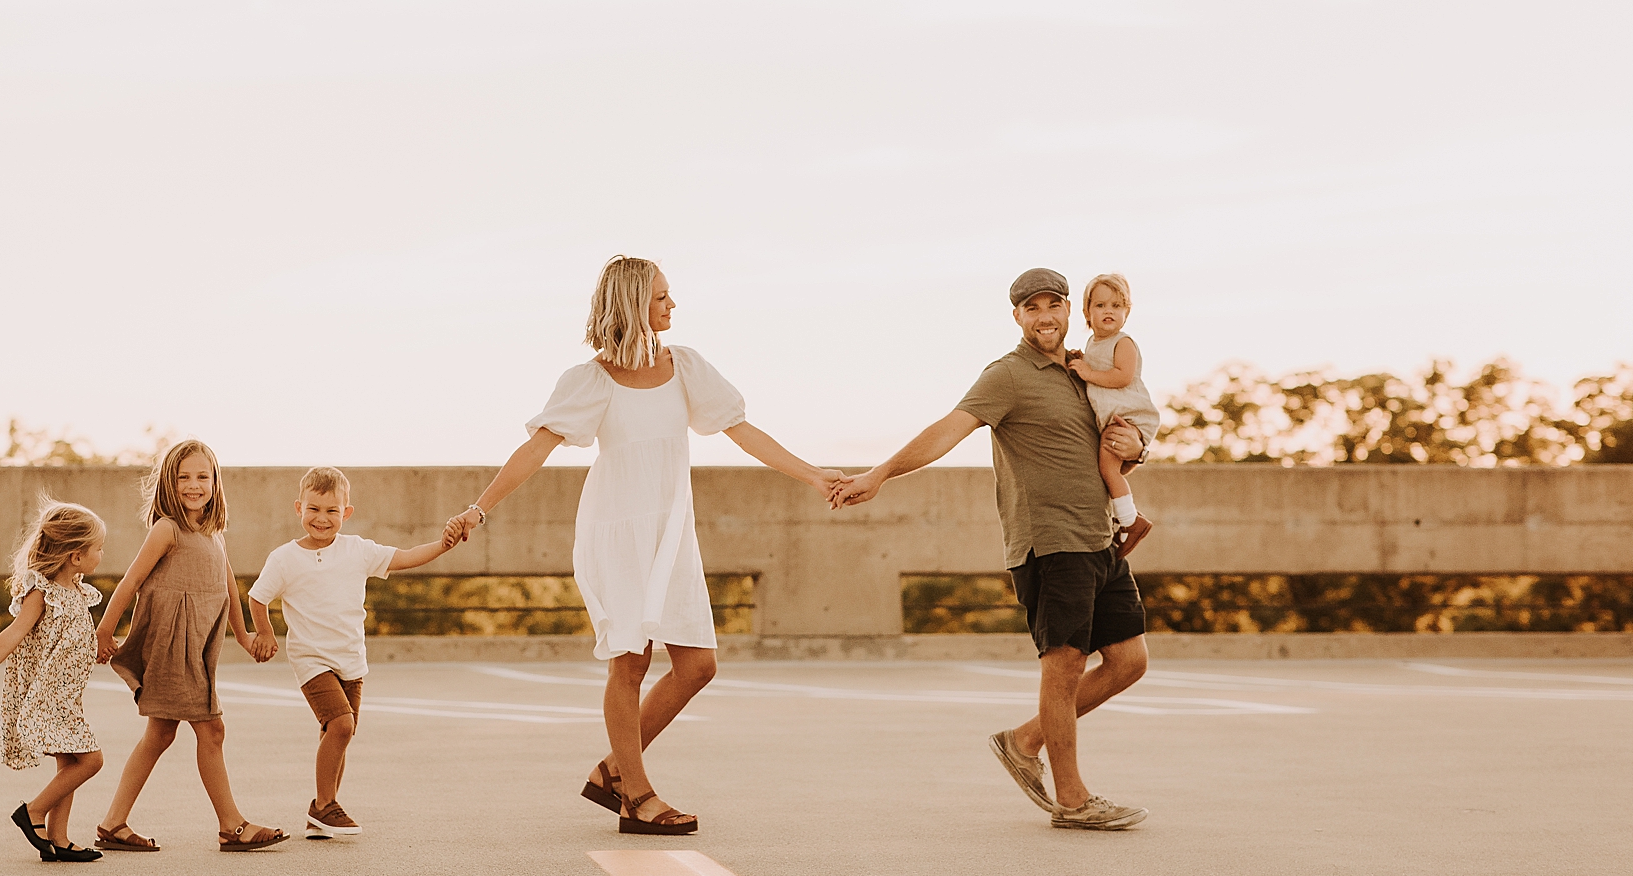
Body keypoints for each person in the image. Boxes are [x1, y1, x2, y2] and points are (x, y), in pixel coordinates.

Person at [448, 255, 842, 835]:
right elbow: (537, 450)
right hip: (616, 528)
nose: (672, 306)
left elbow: (741, 429)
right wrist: (479, 508)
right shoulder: (590, 379)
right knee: (630, 661)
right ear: (633, 304)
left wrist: (815, 477)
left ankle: (613, 771)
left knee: (698, 664)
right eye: (661, 297)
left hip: (671, 530)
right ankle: (637, 794)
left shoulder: (685, 367)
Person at [833, 267, 1152, 830]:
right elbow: (948, 429)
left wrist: (1138, 446)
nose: (1045, 316)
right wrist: (881, 473)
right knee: (1066, 665)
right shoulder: (1007, 375)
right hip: (1050, 543)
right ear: (1018, 317)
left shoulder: (1087, 369)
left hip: (1100, 536)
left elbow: (1119, 429)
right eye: (1033, 308)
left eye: (1054, 304)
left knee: (1129, 662)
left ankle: (1025, 741)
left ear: (1067, 311)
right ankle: (1072, 800)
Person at [246, 466, 464, 839]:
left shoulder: (358, 551)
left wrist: (443, 545)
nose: (322, 519)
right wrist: (265, 633)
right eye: (313, 509)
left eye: (332, 511)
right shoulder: (284, 558)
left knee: (339, 732)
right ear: (299, 508)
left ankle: (321, 811)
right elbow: (257, 597)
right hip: (311, 659)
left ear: (346, 513)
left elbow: (408, 556)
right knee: (341, 725)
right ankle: (325, 806)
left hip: (351, 659)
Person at [92, 439, 288, 852]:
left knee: (160, 734)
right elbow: (131, 581)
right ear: (169, 483)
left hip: (198, 644)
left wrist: (246, 635)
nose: (194, 485)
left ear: (216, 482)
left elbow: (227, 586)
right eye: (184, 477)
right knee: (211, 729)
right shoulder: (168, 529)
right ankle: (231, 824)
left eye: (203, 476)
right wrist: (105, 632)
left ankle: (113, 823)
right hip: (172, 644)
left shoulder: (213, 532)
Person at [0, 500, 110, 863]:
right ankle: (34, 812)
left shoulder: (78, 590)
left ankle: (59, 838)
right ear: (75, 556)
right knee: (91, 760)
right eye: (98, 548)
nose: (102, 554)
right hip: (48, 695)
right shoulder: (42, 590)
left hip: (68, 694)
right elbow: (16, 632)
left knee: (70, 761)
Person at [1067, 272, 1158, 558]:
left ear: (1126, 312)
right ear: (1087, 312)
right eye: (1101, 305)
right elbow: (1095, 370)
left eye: (1116, 306)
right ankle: (1121, 515)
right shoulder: (1095, 344)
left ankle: (1132, 521)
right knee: (1106, 471)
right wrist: (1081, 361)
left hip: (1129, 417)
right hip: (1115, 417)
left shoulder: (1124, 342)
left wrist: (1088, 372)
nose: (1109, 311)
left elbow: (1122, 376)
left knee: (1107, 468)